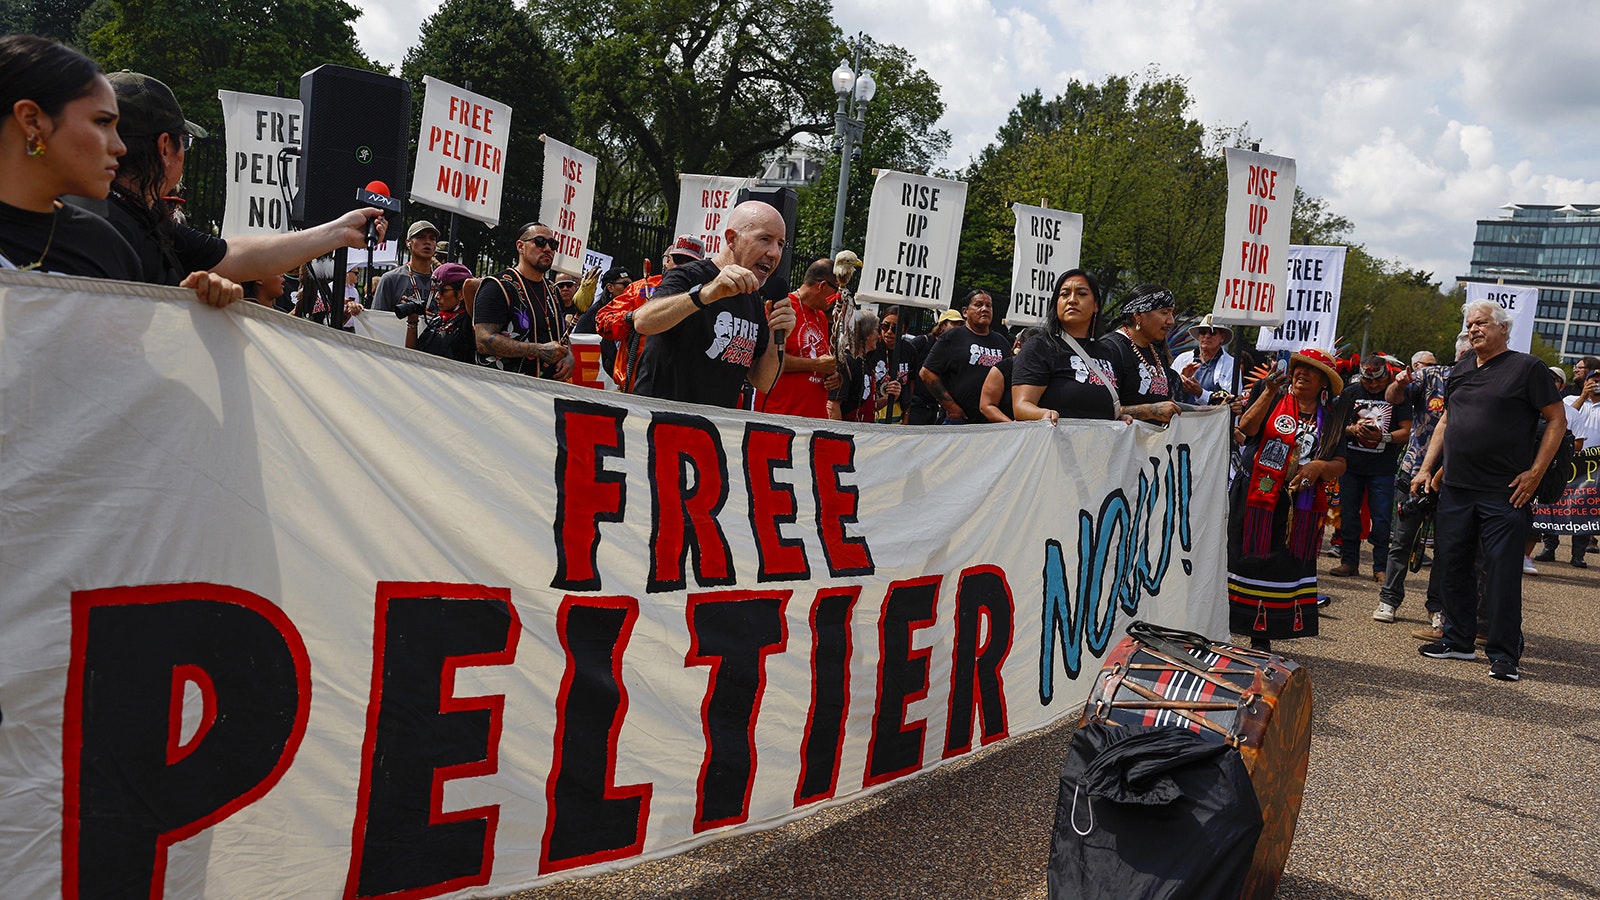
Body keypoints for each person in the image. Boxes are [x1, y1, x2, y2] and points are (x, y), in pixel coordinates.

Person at [89, 70, 383, 290]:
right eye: (185, 143)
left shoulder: (139, 218)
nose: (185, 155)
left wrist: (341, 231)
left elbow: (233, 255)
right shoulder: (102, 230)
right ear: (165, 147)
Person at [1413, 299, 1566, 683]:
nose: (1473, 329)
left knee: (1500, 572)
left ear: (1502, 328)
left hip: (1505, 491)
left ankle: (1504, 653)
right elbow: (1449, 420)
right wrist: (1428, 467)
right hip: (1457, 489)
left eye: (1481, 323)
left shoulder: (1526, 367)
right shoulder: (1461, 368)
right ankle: (1459, 640)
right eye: (1470, 325)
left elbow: (1556, 420)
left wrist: (1535, 473)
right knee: (1453, 565)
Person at [1228, 347, 1350, 650]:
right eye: (1299, 367)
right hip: (1255, 496)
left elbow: (1341, 464)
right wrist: (1268, 392)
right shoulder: (1270, 394)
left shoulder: (1332, 418)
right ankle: (1225, 629)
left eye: (1311, 370)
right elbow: (1245, 429)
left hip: (1299, 505)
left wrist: (1320, 467)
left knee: (1280, 567)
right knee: (1242, 559)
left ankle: (1262, 637)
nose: (1302, 373)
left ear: (1325, 382)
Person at [630, 200, 795, 407]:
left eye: (780, 244)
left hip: (713, 432)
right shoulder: (689, 275)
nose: (774, 253)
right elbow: (643, 321)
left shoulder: (754, 299)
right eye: (765, 239)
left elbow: (763, 381)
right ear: (732, 239)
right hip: (662, 425)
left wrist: (777, 335)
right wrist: (707, 293)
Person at [1377, 335, 1469, 631]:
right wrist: (1400, 382)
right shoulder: (1432, 375)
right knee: (1401, 540)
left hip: (1458, 478)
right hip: (1416, 471)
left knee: (1447, 547)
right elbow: (1392, 397)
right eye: (1466, 352)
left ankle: (1437, 607)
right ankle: (1389, 599)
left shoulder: (1488, 382)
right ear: (1458, 354)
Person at [1330, 356, 1413, 582]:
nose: (1375, 386)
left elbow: (1407, 431)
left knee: (1382, 518)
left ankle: (1380, 566)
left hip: (1382, 468)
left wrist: (1383, 437)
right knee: (1348, 515)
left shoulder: (1396, 394)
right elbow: (1335, 424)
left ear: (1387, 374)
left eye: (1379, 380)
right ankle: (1349, 561)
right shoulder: (1351, 392)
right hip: (1351, 465)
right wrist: (1352, 429)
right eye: (1369, 382)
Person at [1012, 269, 1123, 423]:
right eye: (1064, 294)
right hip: (1054, 444)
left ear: (1096, 305)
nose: (1072, 300)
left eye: (1081, 294)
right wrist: (1043, 414)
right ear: (1056, 303)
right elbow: (1021, 406)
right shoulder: (1039, 347)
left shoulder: (1107, 352)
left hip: (1100, 445)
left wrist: (1119, 417)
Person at [472, 222, 574, 379]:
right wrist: (537, 350)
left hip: (548, 391)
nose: (547, 249)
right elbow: (483, 341)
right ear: (520, 246)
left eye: (553, 244)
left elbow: (562, 336)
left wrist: (569, 357)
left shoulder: (553, 290)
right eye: (540, 242)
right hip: (506, 389)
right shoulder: (498, 286)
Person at [1100, 283, 1195, 424]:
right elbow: (1098, 409)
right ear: (1138, 315)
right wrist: (1150, 411)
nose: (1171, 321)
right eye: (1164, 312)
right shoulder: (1110, 349)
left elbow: (1170, 405)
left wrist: (1220, 410)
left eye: (1172, 312)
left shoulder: (1157, 354)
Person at [760, 258, 837, 418]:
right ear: (822, 285)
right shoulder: (782, 306)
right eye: (837, 291)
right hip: (780, 417)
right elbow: (767, 359)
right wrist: (815, 365)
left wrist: (833, 377)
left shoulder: (821, 316)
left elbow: (817, 358)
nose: (838, 298)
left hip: (813, 420)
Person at [919, 290, 1011, 424]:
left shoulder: (1002, 342)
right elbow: (926, 373)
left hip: (992, 423)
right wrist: (951, 407)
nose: (984, 309)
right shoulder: (952, 337)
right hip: (958, 421)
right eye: (978, 305)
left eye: (988, 305)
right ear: (965, 312)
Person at [406, 262, 476, 364]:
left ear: (461, 294)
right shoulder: (439, 319)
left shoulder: (470, 324)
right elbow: (411, 356)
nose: (437, 296)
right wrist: (412, 322)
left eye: (443, 291)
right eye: (437, 290)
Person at [902, 309, 962, 424]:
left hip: (933, 409)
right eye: (954, 323)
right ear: (943, 325)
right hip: (914, 407)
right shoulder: (923, 341)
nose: (957, 328)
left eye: (960, 325)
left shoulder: (954, 349)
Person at [979, 327, 1046, 422]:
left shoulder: (1051, 370)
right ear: (1019, 345)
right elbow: (987, 406)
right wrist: (1012, 427)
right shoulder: (1003, 368)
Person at [370, 221, 438, 313]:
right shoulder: (390, 279)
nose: (427, 242)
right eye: (420, 237)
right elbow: (378, 320)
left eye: (432, 238)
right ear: (408, 242)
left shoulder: (441, 281)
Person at [869, 306, 918, 424]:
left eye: (895, 328)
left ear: (904, 330)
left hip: (897, 414)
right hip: (872, 410)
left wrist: (906, 416)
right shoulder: (871, 348)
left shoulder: (910, 351)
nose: (889, 332)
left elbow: (911, 383)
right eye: (885, 326)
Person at [1172, 314, 1236, 404]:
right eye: (1203, 332)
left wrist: (1200, 393)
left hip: (1213, 417)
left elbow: (1230, 400)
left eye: (1212, 332)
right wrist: (1180, 380)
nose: (1207, 336)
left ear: (1222, 337)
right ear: (1198, 336)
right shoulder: (1182, 359)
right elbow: (1167, 391)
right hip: (1182, 416)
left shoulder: (1231, 365)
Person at [830, 310, 880, 422]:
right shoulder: (847, 363)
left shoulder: (865, 361)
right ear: (867, 334)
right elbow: (833, 406)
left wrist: (890, 397)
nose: (879, 335)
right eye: (877, 330)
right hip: (850, 433)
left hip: (862, 434)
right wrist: (839, 436)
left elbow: (866, 404)